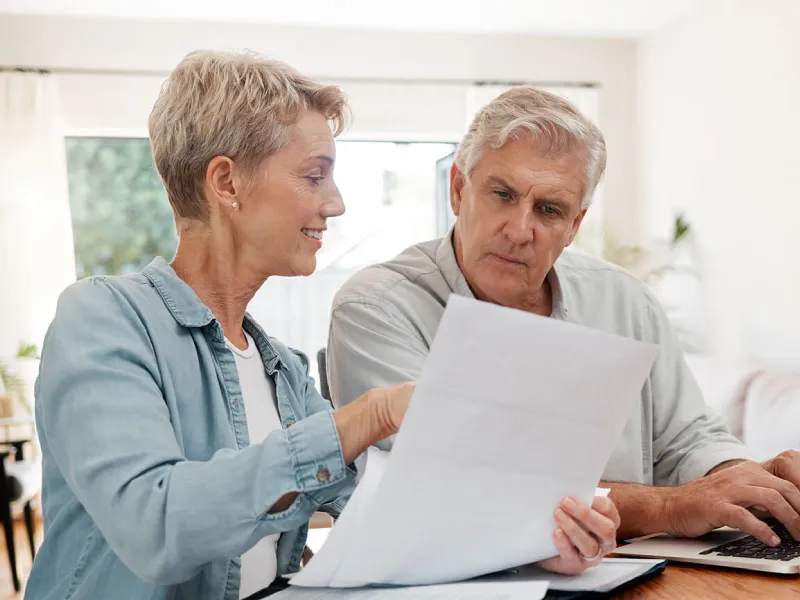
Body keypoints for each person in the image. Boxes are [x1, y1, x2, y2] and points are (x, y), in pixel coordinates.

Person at [26, 53, 617, 600]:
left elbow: (390, 520)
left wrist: (541, 540)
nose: (335, 203)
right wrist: (372, 414)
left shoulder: (279, 367)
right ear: (227, 183)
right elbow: (154, 526)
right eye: (314, 176)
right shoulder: (104, 319)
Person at [327, 86, 800, 548]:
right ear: (458, 190)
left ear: (574, 225)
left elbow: (689, 438)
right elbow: (461, 493)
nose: (519, 230)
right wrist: (671, 508)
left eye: (549, 209)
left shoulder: (625, 300)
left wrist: (746, 485)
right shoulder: (377, 308)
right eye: (502, 194)